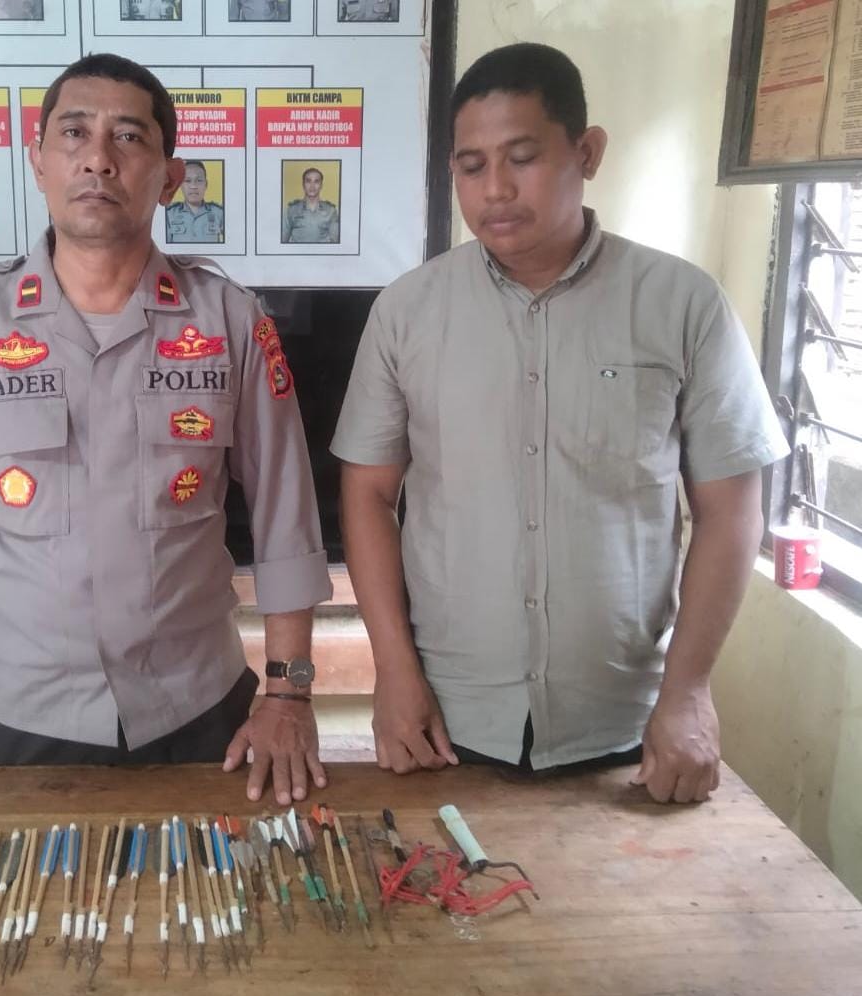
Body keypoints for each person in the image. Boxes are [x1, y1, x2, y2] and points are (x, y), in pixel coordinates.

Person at [333, 43, 788, 804]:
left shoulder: (683, 305)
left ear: (587, 152)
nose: (496, 189)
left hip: (626, 724)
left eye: (523, 157)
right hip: (446, 718)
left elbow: (731, 509)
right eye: (471, 166)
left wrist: (688, 691)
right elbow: (368, 495)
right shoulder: (407, 312)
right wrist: (394, 671)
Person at [0, 54, 332, 806]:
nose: (98, 158)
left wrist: (289, 694)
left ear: (170, 176)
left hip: (198, 707)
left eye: (128, 136)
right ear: (37, 160)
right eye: (74, 133)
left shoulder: (229, 319)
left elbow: (288, 516)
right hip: (30, 715)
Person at [165, 160, 224, 243]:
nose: (193, 186)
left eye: (199, 180)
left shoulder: (220, 213)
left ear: (206, 184)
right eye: (187, 181)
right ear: (181, 185)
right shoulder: (169, 214)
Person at [281, 165, 338, 243]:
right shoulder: (291, 210)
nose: (312, 186)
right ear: (303, 184)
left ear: (321, 185)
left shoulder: (331, 211)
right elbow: (282, 242)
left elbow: (335, 243)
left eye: (316, 181)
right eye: (308, 181)